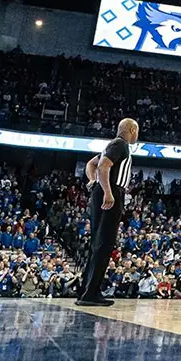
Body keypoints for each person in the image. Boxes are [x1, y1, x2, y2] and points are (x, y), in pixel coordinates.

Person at [76, 117, 138, 306]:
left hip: (103, 190)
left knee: (98, 243)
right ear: (131, 129)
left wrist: (93, 181)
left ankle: (86, 290)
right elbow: (102, 166)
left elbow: (91, 164)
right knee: (104, 243)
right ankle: (91, 293)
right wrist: (108, 192)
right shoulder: (120, 144)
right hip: (111, 191)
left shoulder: (111, 145)